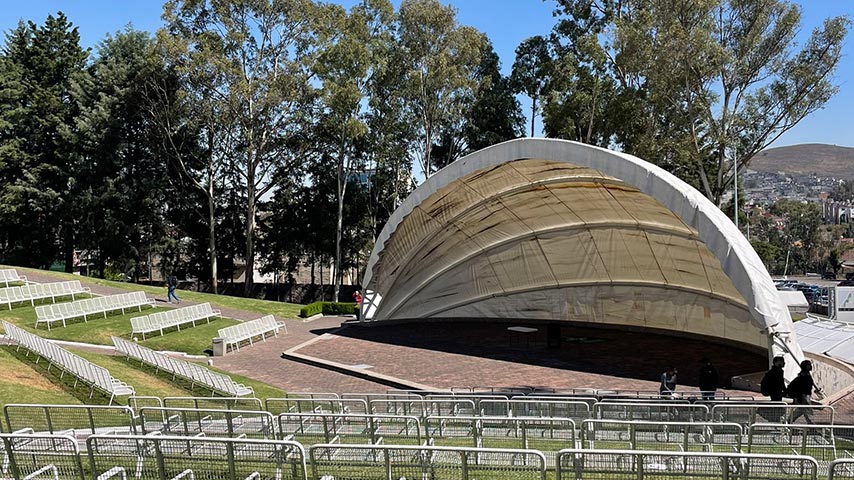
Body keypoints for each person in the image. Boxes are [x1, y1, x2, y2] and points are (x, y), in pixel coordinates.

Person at [787, 360, 819, 424]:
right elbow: (791, 387)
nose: (810, 366)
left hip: (806, 396)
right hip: (804, 397)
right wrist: (795, 397)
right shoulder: (802, 378)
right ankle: (813, 426)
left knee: (800, 410)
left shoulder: (807, 376)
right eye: (808, 365)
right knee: (808, 412)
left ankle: (787, 422)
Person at [759, 356, 787, 423]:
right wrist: (785, 390)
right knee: (777, 406)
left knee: (777, 406)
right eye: (782, 361)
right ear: (777, 362)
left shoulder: (777, 371)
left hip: (776, 391)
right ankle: (774, 419)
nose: (784, 363)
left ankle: (774, 420)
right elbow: (780, 382)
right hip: (775, 391)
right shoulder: (775, 372)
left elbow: (781, 382)